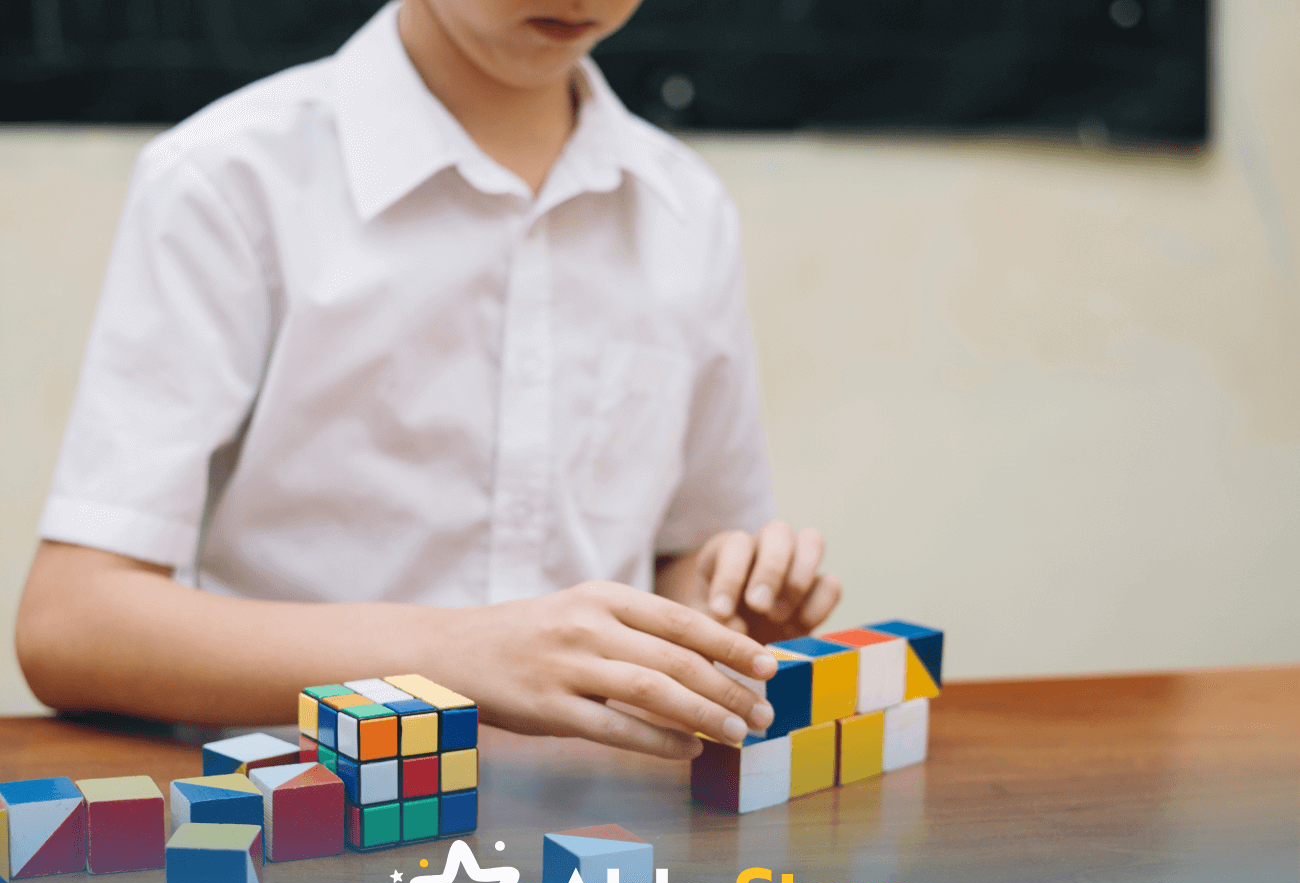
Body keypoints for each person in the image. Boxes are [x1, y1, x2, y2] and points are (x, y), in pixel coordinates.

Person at [15, 0, 841, 761]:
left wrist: (725, 609)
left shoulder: (686, 210)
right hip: (299, 823)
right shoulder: (228, 178)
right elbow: (72, 623)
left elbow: (686, 554)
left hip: (594, 827)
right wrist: (455, 655)